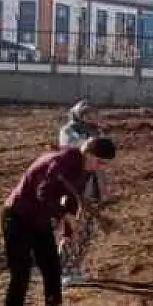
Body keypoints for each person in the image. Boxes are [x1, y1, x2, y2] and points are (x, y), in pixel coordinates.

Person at [0, 137, 117, 306]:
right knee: (21, 274)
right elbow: (42, 193)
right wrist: (63, 217)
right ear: (88, 153)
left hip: (40, 220)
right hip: (18, 217)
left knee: (52, 266)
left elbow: (71, 197)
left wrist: (68, 224)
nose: (101, 168)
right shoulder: (62, 162)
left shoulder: (83, 167)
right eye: (100, 162)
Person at [56, 100, 106, 286]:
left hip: (90, 187)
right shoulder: (68, 131)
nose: (90, 117)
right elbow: (77, 148)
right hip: (72, 188)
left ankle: (73, 267)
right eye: (86, 114)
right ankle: (64, 270)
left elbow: (102, 156)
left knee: (86, 231)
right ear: (78, 115)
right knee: (70, 229)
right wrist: (94, 141)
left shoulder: (94, 131)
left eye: (92, 114)